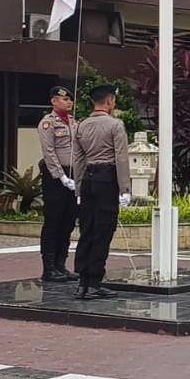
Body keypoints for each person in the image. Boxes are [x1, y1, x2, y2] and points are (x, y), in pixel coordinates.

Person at [72, 84, 131, 300]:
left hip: (87, 178)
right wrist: (125, 188)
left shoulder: (81, 126)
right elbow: (121, 158)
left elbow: (78, 159)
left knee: (87, 229)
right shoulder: (115, 125)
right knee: (103, 230)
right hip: (107, 179)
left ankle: (82, 282)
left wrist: (78, 187)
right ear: (109, 101)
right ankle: (95, 282)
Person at [37, 85, 79, 282]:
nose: (69, 102)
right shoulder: (48, 123)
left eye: (70, 99)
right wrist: (61, 176)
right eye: (64, 99)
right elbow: (49, 152)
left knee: (68, 221)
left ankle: (61, 264)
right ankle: (49, 267)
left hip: (73, 175)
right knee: (53, 221)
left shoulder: (73, 122)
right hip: (55, 177)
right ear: (54, 101)